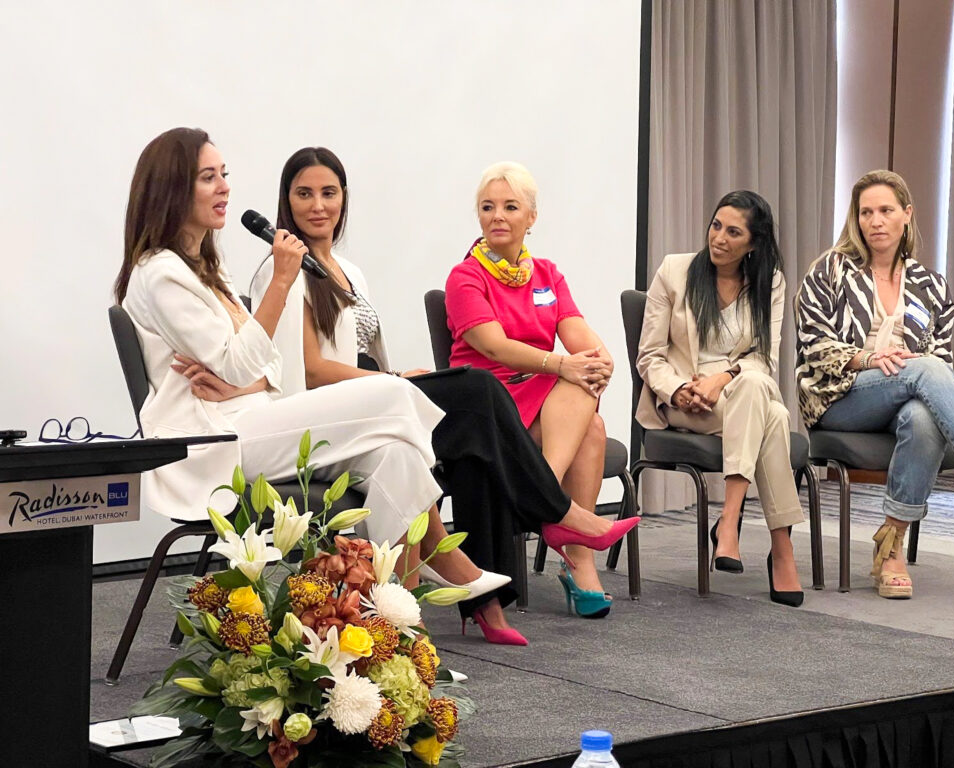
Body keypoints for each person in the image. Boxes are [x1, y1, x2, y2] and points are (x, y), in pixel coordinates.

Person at [248, 147, 636, 641]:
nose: (318, 205)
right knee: (478, 390)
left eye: (329, 193)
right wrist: (391, 385)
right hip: (323, 418)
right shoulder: (285, 269)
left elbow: (360, 353)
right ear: (286, 201)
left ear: (344, 199)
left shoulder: (346, 270)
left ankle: (489, 604)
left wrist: (392, 375)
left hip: (367, 401)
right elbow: (312, 370)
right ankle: (554, 513)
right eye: (304, 194)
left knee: (479, 440)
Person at [113, 127, 498, 606]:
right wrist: (280, 282)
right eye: (208, 178)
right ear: (172, 188)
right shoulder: (161, 274)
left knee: (397, 455)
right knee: (398, 395)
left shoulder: (205, 266)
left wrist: (244, 380)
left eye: (224, 175)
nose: (225, 187)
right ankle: (441, 559)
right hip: (215, 444)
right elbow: (245, 363)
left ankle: (389, 626)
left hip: (248, 415)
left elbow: (264, 362)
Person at [795, 169, 954, 599]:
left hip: (904, 399)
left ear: (907, 215)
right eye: (865, 212)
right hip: (840, 397)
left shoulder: (932, 286)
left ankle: (891, 546)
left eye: (885, 210)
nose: (874, 221)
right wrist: (868, 357)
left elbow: (942, 359)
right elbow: (813, 346)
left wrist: (910, 368)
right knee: (925, 370)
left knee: (923, 415)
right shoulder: (829, 270)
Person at [444, 161, 632, 618]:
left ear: (531, 218)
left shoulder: (547, 274)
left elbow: (579, 335)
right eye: (488, 207)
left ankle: (551, 509)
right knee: (587, 411)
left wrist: (600, 361)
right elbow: (495, 346)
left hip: (545, 400)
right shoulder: (465, 276)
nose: (498, 217)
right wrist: (565, 365)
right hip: (489, 403)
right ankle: (559, 522)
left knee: (590, 414)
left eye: (510, 207)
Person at [635, 190, 805, 607]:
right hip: (684, 403)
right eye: (716, 226)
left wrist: (722, 378)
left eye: (733, 232)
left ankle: (728, 521)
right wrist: (680, 389)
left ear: (754, 243)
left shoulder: (771, 282)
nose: (719, 239)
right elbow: (649, 356)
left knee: (756, 394)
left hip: (738, 396)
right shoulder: (675, 271)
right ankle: (778, 548)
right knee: (775, 416)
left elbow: (763, 358)